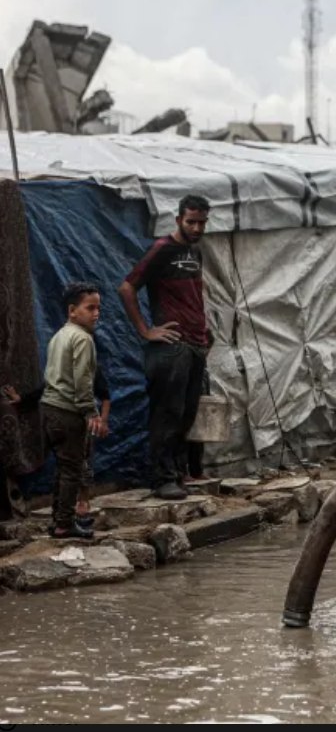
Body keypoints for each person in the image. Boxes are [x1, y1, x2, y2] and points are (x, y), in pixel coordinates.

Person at [118, 195, 212, 500]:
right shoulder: (162, 249)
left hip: (196, 344)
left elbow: (193, 297)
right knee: (167, 414)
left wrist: (204, 329)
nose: (196, 228)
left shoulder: (194, 251)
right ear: (178, 220)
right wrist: (146, 330)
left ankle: (179, 472)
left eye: (201, 222)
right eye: (191, 222)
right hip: (172, 346)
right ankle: (162, 479)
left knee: (187, 414)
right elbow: (127, 287)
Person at [24, 283, 109, 538]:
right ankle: (64, 524)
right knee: (72, 470)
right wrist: (90, 411)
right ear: (72, 310)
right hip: (68, 412)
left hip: (49, 409)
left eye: (98, 308)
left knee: (63, 468)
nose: (96, 314)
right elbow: (82, 379)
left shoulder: (60, 335)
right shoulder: (83, 339)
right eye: (90, 308)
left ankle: (59, 520)